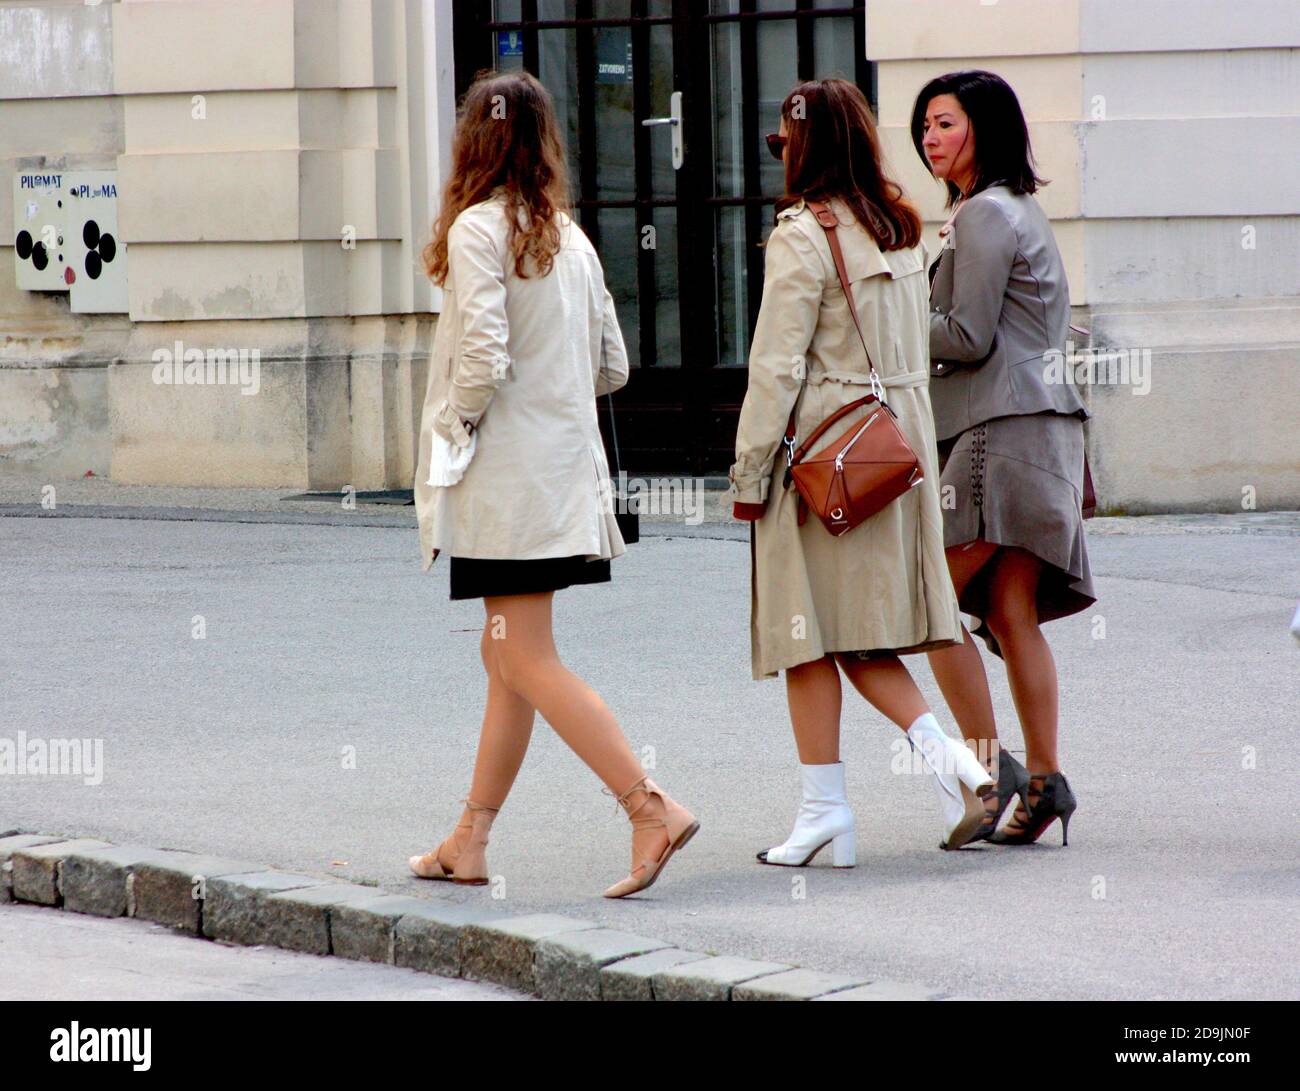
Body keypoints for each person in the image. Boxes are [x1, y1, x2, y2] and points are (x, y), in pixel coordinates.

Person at [409, 70, 697, 898]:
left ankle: (649, 807)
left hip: (506, 485)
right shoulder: (566, 234)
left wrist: (452, 434)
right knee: (507, 657)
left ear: (474, 139)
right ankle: (470, 838)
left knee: (524, 657)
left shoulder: (475, 230)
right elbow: (614, 365)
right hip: (562, 479)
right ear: (545, 143)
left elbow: (484, 360)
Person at [729, 78, 995, 862]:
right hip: (895, 450)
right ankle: (892, 788)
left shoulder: (802, 235)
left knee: (808, 632)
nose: (782, 157)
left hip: (824, 459)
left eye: (785, 142)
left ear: (805, 146)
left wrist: (748, 475)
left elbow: (774, 368)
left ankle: (844, 804)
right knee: (847, 635)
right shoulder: (901, 226)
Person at [913, 70, 1096, 846]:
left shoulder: (985, 215)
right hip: (1041, 426)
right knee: (1011, 613)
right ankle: (1046, 781)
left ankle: (990, 773)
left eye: (946, 123)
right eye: (924, 125)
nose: (930, 137)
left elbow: (966, 336)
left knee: (923, 602)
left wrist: (889, 327)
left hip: (999, 430)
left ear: (984, 129)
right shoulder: (1017, 208)